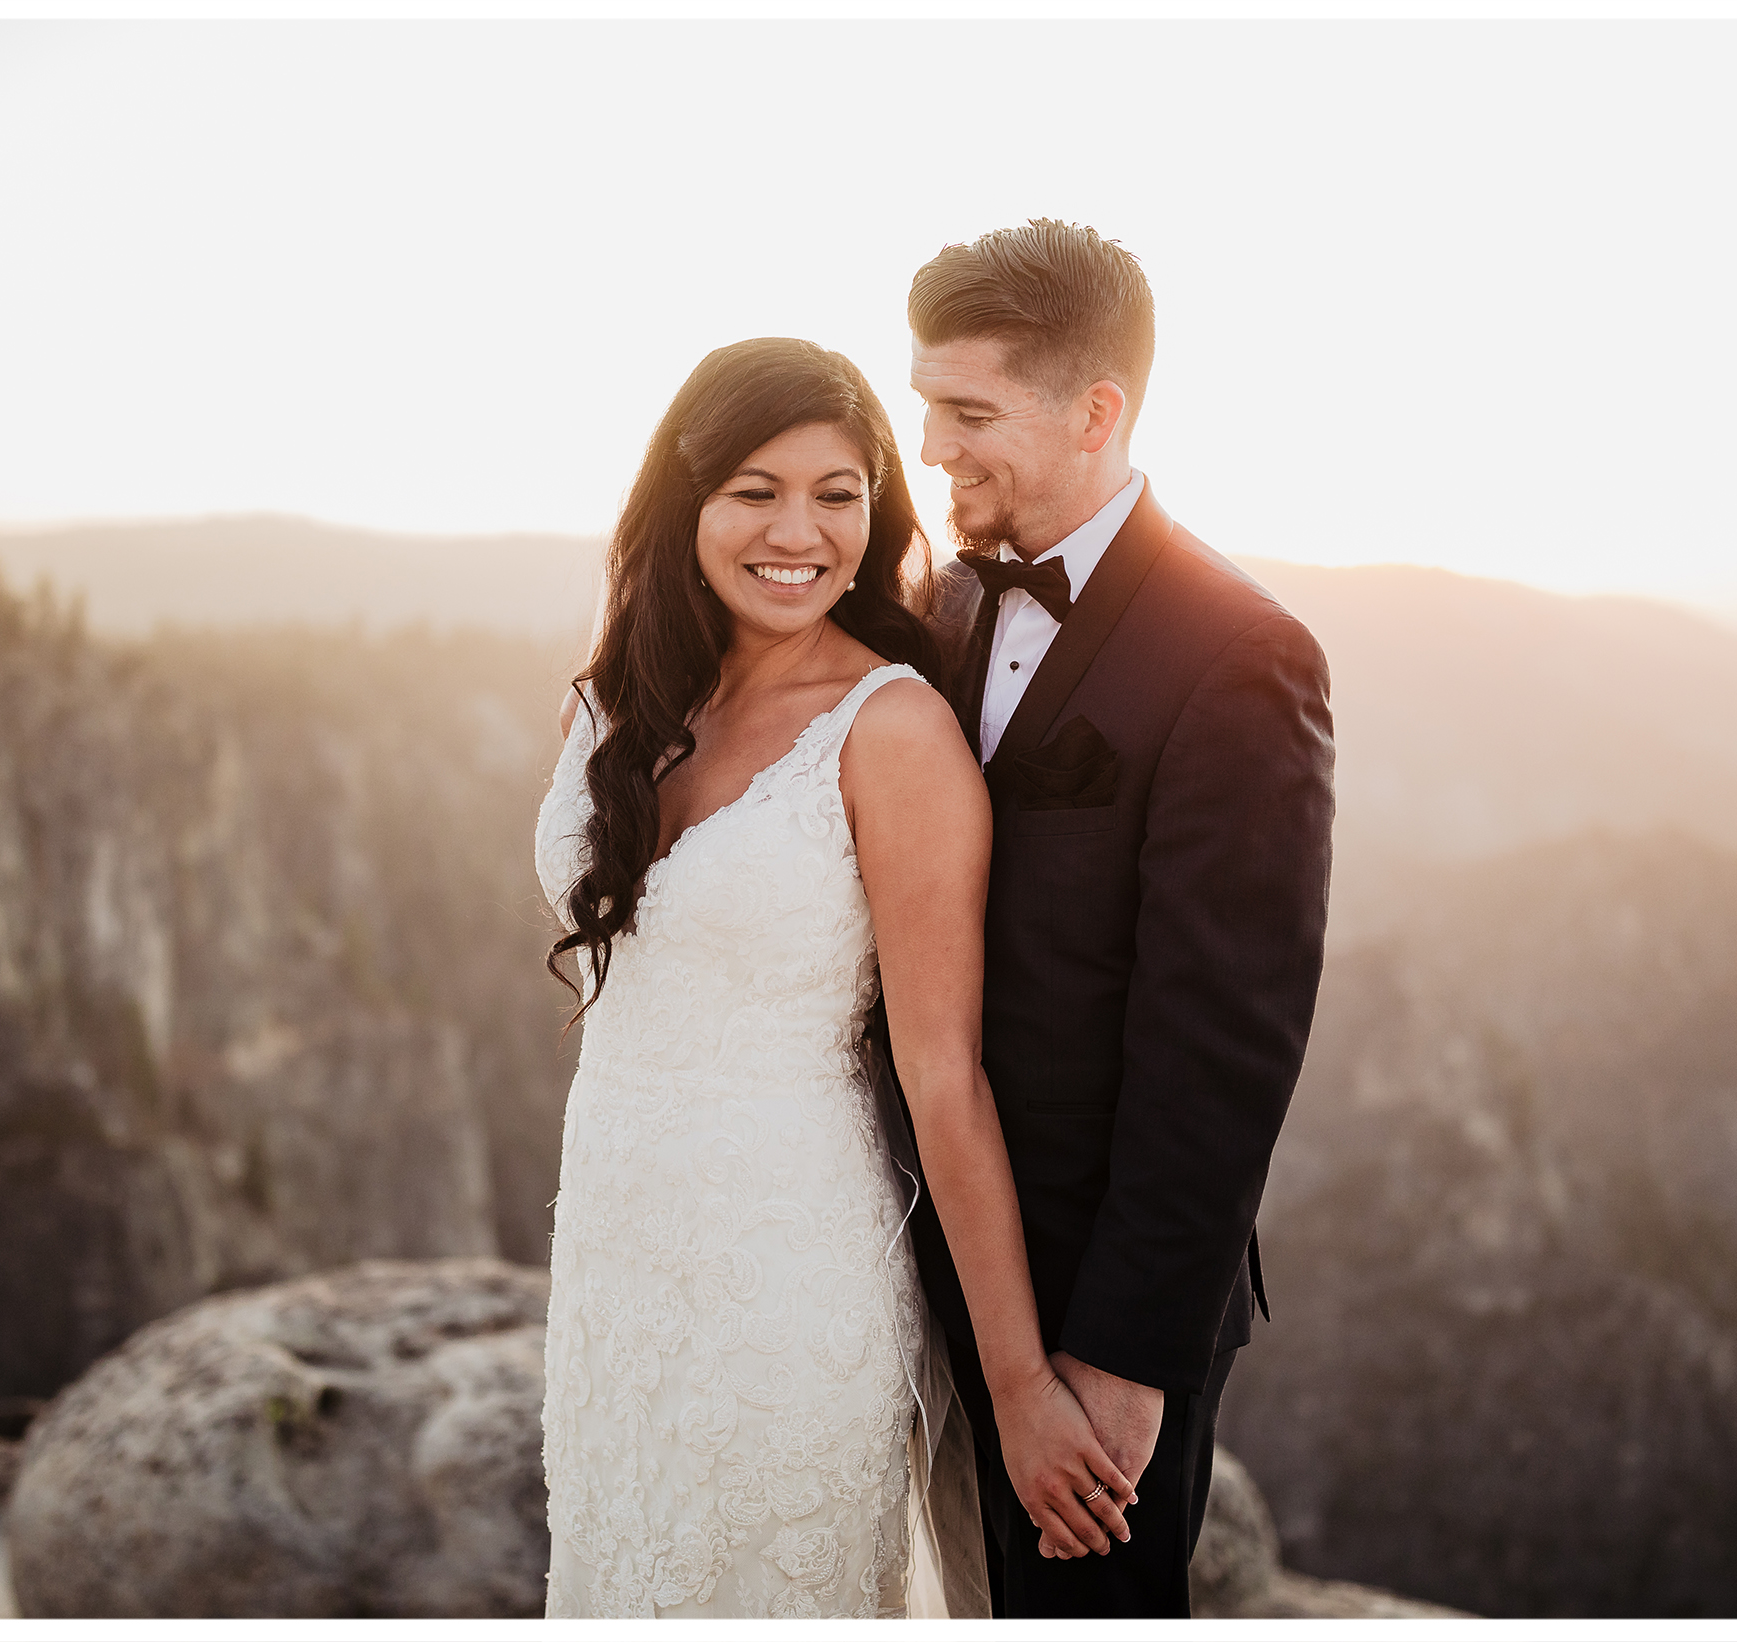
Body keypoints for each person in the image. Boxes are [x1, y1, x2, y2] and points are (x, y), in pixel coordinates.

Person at [533, 336, 1131, 1619]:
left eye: (837, 492)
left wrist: (1020, 1386)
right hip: (613, 1252)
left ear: (875, 507)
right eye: (754, 490)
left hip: (787, 1266)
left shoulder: (893, 729)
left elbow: (943, 1074)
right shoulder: (619, 698)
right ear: (682, 501)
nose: (797, 531)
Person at [892, 219, 1337, 1618]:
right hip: (918, 1260)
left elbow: (1225, 1044)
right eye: (925, 409)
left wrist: (1125, 1358)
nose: (936, 450)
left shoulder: (1242, 657)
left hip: (1099, 1297)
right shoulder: (945, 600)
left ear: (1098, 411)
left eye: (970, 414)